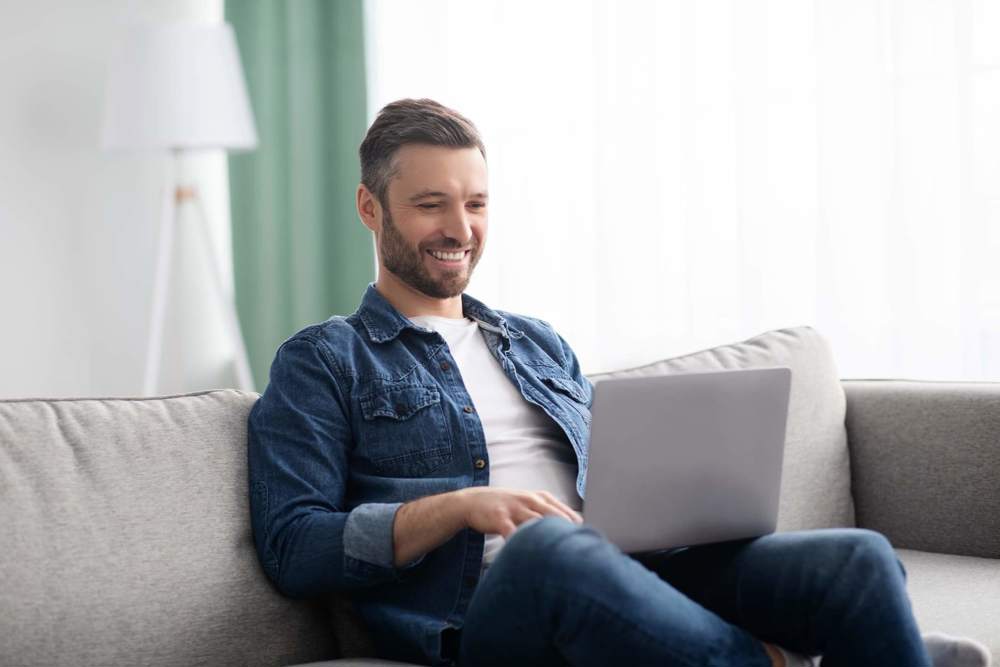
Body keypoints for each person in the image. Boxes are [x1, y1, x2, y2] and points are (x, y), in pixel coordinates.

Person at [247, 98, 991, 667]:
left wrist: (692, 497)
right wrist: (462, 506)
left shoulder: (534, 341)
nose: (460, 227)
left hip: (632, 576)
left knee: (858, 561)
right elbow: (293, 545)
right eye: (431, 204)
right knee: (549, 549)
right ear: (370, 208)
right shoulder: (325, 359)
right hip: (490, 610)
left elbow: (625, 481)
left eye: (475, 203)